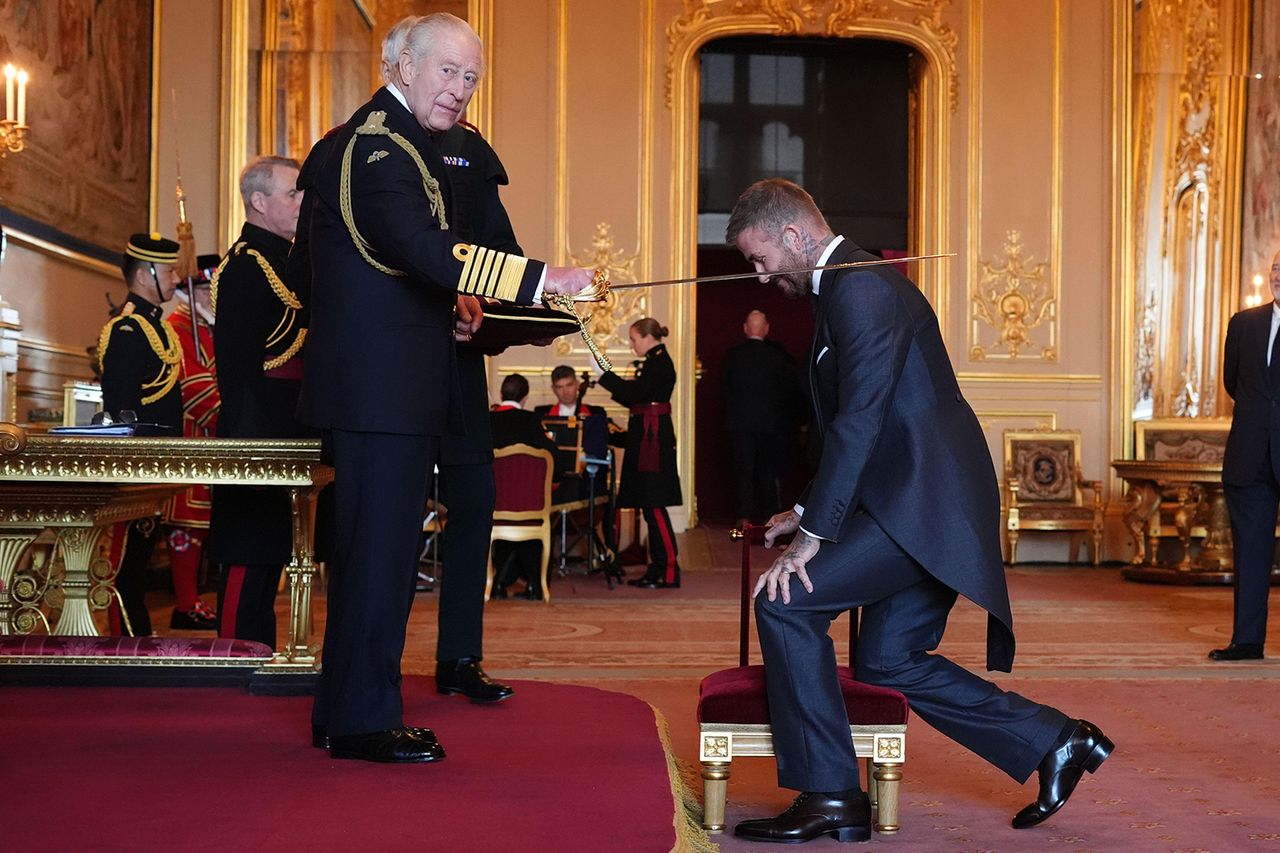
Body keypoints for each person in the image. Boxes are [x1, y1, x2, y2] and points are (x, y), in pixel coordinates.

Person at [725, 179, 1112, 843]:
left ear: (793, 235)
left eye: (760, 259)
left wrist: (813, 535)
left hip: (921, 508)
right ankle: (1058, 740)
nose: (760, 277)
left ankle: (829, 795)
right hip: (917, 499)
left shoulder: (864, 288)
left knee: (785, 601)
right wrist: (804, 504)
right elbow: (870, 419)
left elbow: (864, 420)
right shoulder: (848, 287)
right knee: (888, 658)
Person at [299, 12, 592, 764]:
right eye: (448, 71)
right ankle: (365, 720)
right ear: (401, 63)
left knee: (376, 554)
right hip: (380, 392)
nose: (460, 90)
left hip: (386, 389)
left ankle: (343, 711)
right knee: (380, 556)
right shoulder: (378, 147)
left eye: (471, 77)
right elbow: (427, 248)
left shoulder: (395, 145)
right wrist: (542, 278)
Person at [208, 155, 306, 651]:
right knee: (249, 557)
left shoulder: (287, 260)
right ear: (260, 202)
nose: (301, 201)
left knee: (272, 558)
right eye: (293, 193)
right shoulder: (247, 264)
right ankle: (232, 660)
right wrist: (250, 448)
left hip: (289, 431)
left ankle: (260, 657)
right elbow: (238, 368)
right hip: (257, 437)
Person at [97, 233, 185, 636]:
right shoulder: (128, 330)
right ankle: (125, 641)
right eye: (168, 271)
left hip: (155, 468)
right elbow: (121, 408)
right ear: (145, 274)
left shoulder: (156, 328)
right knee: (125, 568)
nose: (175, 278)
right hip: (135, 470)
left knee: (140, 562)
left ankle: (137, 637)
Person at [1213, 248, 1280, 661]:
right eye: (1276, 268)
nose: (1279, 276)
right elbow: (1233, 383)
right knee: (1251, 552)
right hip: (1251, 454)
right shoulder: (1244, 324)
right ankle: (1247, 641)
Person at [598, 318, 683, 589]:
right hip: (650, 437)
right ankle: (657, 567)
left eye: (634, 339)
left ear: (647, 337)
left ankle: (668, 569)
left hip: (653, 440)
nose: (632, 344)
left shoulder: (658, 362)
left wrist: (605, 376)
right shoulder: (654, 361)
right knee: (649, 505)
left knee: (654, 504)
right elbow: (635, 397)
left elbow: (635, 394)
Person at [163, 253, 223, 630]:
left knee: (201, 522)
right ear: (197, 291)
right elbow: (193, 384)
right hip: (190, 434)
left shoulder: (207, 325)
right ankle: (185, 602)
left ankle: (192, 600)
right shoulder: (178, 325)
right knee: (188, 520)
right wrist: (225, 419)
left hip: (209, 439)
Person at [722, 309, 800, 526]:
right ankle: (769, 517)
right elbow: (787, 393)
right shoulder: (778, 357)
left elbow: (725, 390)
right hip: (770, 425)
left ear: (745, 329)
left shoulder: (732, 356)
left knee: (743, 472)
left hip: (740, 424)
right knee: (768, 471)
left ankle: (744, 516)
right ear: (766, 329)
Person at [490, 373, 562, 599]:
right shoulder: (532, 421)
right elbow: (554, 457)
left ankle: (497, 583)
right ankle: (535, 585)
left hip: (494, 505)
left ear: (502, 394)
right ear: (525, 398)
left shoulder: (486, 421)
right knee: (540, 523)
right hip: (532, 507)